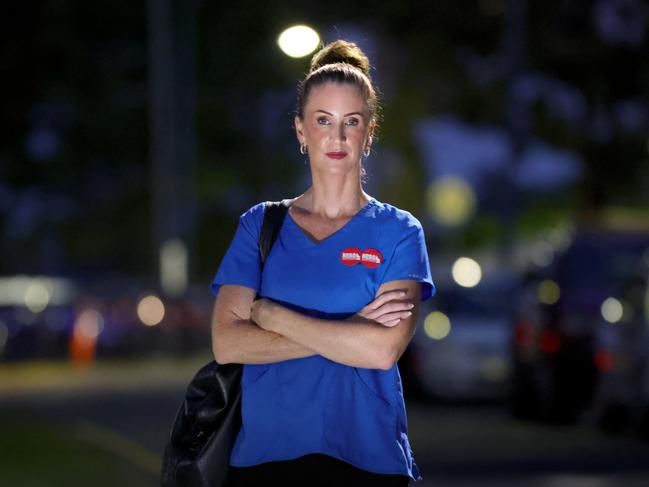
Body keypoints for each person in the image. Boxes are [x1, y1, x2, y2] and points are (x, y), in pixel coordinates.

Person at [210, 40, 435, 487]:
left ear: (369, 132)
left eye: (351, 122)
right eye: (323, 121)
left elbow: (380, 350)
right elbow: (228, 344)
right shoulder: (261, 226)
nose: (337, 137)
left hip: (368, 463)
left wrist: (272, 316)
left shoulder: (400, 232)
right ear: (300, 130)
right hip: (264, 462)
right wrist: (349, 328)